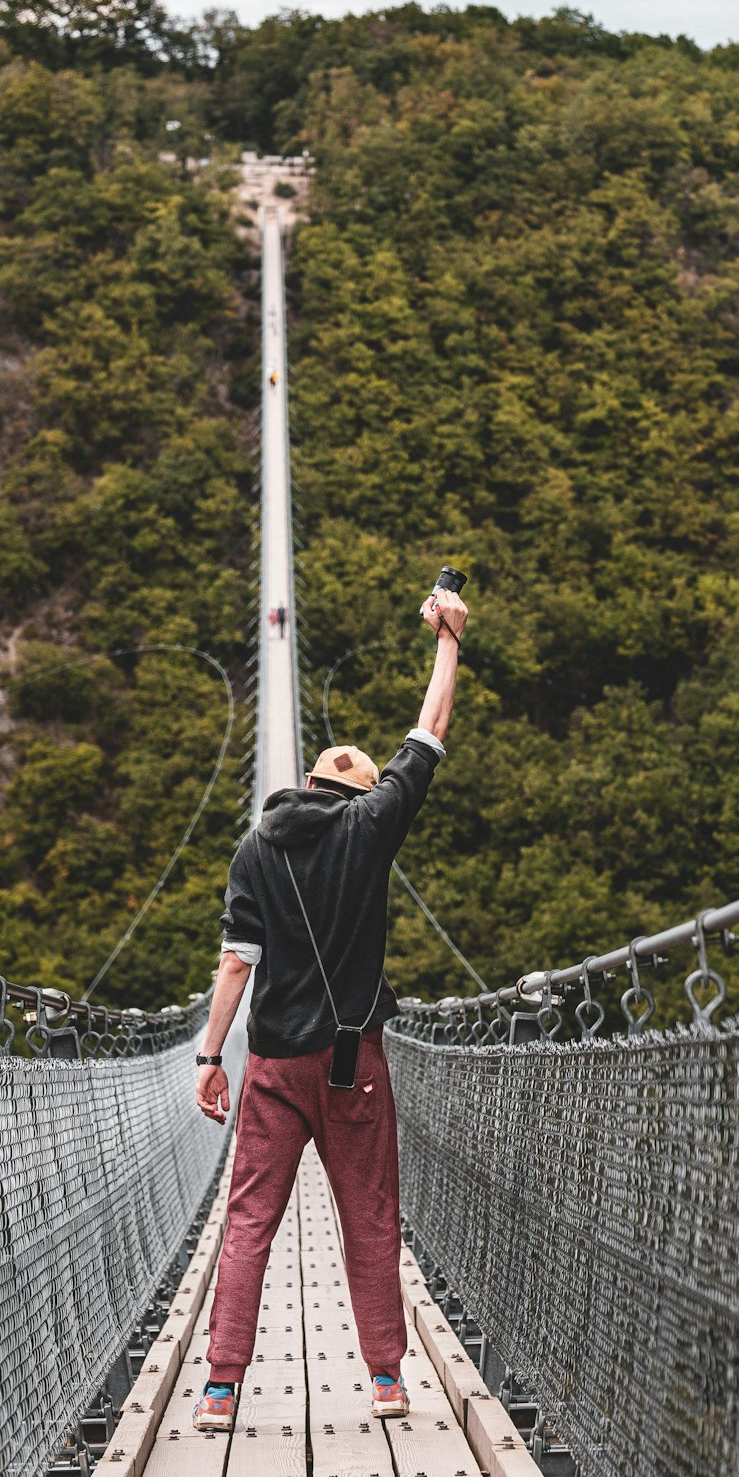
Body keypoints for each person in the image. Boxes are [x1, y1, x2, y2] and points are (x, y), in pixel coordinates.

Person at [192, 582, 468, 1432]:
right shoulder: (371, 827)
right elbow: (427, 733)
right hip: (355, 1067)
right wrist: (448, 640)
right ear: (357, 796)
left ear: (304, 788)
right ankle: (386, 1381)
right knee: (371, 1217)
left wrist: (210, 1058)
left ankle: (221, 1388)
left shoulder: (253, 848)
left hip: (272, 1064)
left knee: (247, 1223)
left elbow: (237, 964)